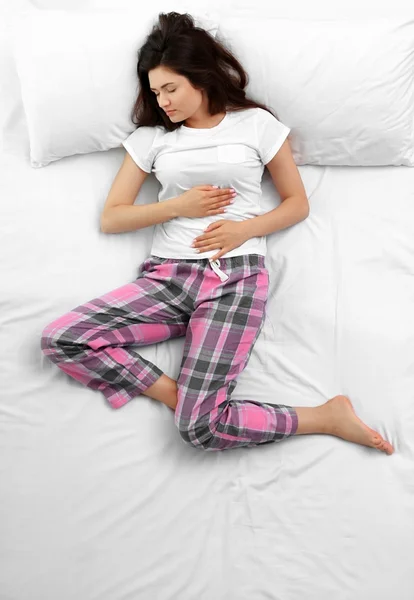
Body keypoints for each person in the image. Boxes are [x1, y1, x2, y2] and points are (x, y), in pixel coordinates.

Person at [40, 12, 394, 456]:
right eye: (155, 92)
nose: (163, 101)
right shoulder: (152, 138)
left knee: (198, 432)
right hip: (168, 277)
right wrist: (177, 206)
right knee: (64, 338)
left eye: (171, 88)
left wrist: (244, 230)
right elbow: (112, 217)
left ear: (201, 79)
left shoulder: (256, 125)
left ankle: (324, 416)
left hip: (235, 280)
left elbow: (297, 204)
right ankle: (185, 399)